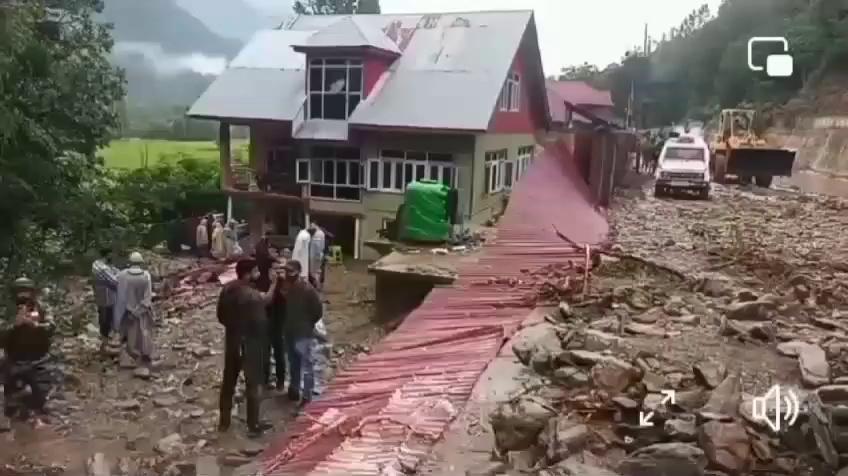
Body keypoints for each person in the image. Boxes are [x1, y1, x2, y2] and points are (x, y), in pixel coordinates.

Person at [216, 259, 278, 437]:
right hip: (250, 344)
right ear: (248, 273)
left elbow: (220, 316)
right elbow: (262, 315)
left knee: (228, 382)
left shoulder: (227, 289)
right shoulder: (251, 296)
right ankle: (253, 425)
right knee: (253, 384)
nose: (258, 274)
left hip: (232, 341)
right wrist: (274, 283)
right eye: (256, 271)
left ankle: (224, 422)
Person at [0, 277, 55, 423]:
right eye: (20, 292)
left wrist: (35, 326)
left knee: (43, 403)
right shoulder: (7, 311)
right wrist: (14, 325)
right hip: (14, 359)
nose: (23, 296)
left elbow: (51, 327)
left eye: (26, 291)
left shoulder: (42, 308)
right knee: (10, 407)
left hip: (39, 360)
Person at [280, 260, 323, 404]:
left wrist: (308, 324)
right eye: (286, 271)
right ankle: (294, 389)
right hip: (290, 330)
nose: (287, 274)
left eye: (290, 271)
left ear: (298, 272)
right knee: (293, 362)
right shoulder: (287, 287)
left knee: (306, 363)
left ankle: (307, 394)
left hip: (303, 332)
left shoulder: (307, 289)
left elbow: (318, 311)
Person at [114, 252, 155, 375]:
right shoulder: (146, 276)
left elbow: (119, 294)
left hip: (127, 312)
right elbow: (147, 298)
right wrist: (139, 310)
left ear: (130, 262)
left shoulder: (122, 275)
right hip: (142, 312)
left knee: (130, 336)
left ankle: (135, 357)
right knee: (144, 334)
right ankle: (144, 357)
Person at [92, 249, 119, 353]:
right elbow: (115, 281)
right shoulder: (102, 268)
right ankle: (105, 345)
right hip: (106, 298)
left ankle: (106, 343)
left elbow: (115, 271)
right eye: (112, 254)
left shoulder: (99, 265)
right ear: (108, 254)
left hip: (104, 297)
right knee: (106, 320)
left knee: (105, 319)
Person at [309, 223, 325, 290]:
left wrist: (317, 255)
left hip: (316, 255)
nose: (310, 227)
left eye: (311, 225)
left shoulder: (318, 233)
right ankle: (317, 285)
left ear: (316, 225)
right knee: (317, 271)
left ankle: (316, 286)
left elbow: (318, 245)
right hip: (317, 254)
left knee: (315, 271)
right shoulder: (320, 233)